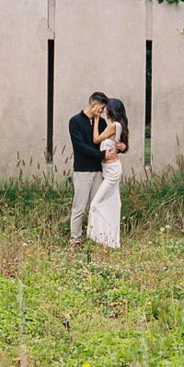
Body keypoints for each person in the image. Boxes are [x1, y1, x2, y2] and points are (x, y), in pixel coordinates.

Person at [67, 93, 125, 250]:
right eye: (101, 107)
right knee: (79, 206)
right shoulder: (75, 121)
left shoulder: (102, 123)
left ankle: (98, 236)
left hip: (100, 170)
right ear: (93, 104)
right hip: (83, 171)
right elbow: (80, 146)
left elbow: (107, 144)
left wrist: (120, 148)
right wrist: (101, 154)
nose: (103, 111)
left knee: (98, 204)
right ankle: (75, 239)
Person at [87, 98, 129, 250]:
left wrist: (97, 119)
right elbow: (121, 146)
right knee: (113, 202)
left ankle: (100, 236)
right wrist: (122, 147)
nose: (104, 110)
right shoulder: (118, 125)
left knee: (95, 203)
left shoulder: (114, 126)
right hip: (109, 168)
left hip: (112, 170)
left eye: (106, 108)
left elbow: (96, 139)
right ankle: (111, 239)